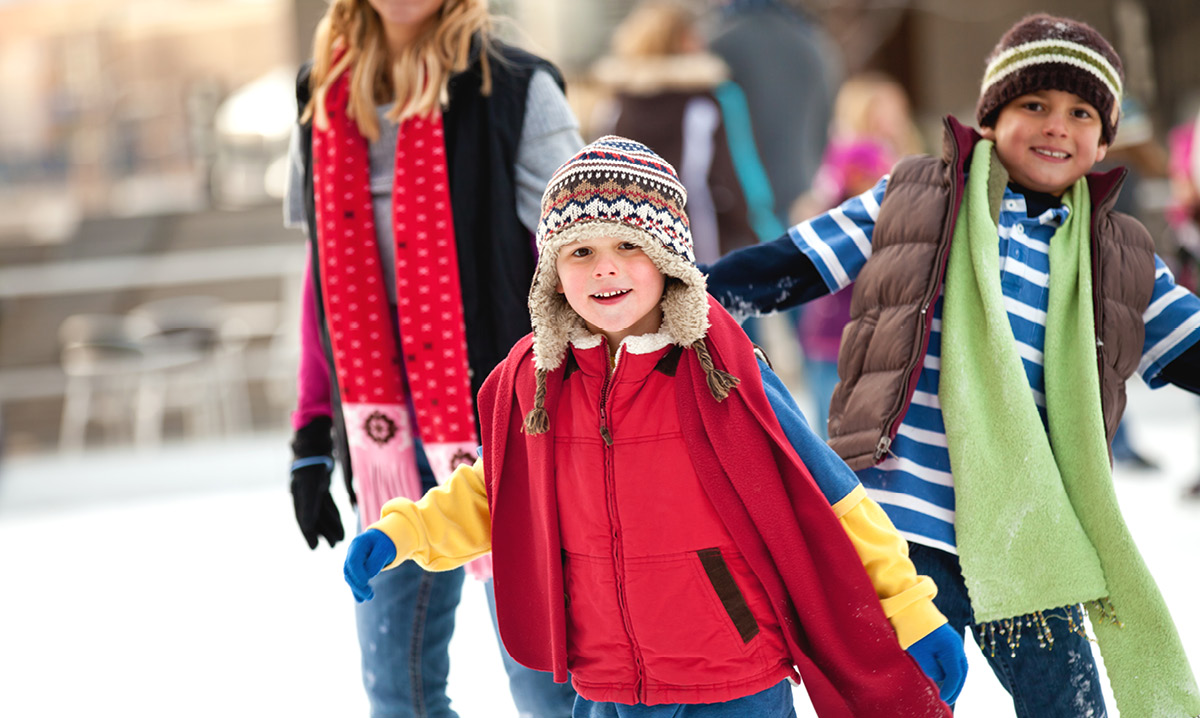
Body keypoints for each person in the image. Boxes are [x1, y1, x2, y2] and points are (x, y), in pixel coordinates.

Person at [343, 136, 967, 717]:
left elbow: (828, 499)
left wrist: (910, 611)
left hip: (732, 678)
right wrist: (405, 532)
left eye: (628, 247)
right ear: (553, 272)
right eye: (580, 252)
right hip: (607, 681)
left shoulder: (720, 373)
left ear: (668, 260)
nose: (603, 270)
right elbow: (500, 491)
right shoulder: (541, 381)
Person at [704, 14, 1200, 717]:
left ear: (1104, 138)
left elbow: (1188, 342)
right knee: (895, 700)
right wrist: (684, 293)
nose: (1057, 126)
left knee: (1068, 705)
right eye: (1034, 105)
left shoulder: (1118, 255)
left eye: (1080, 112)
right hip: (907, 522)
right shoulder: (921, 197)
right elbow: (797, 260)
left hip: (1033, 535)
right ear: (993, 116)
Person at [282, 0, 582, 715]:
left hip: (509, 427)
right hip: (380, 436)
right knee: (399, 692)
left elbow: (583, 255)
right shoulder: (320, 93)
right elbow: (322, 273)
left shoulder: (516, 89)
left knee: (546, 686)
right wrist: (310, 433)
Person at [590, 0, 782, 264]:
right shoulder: (707, 102)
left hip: (634, 247)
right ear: (682, 40)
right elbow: (736, 172)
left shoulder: (615, 106)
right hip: (700, 243)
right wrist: (759, 235)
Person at [791, 73, 920, 438]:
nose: (893, 117)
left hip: (839, 313)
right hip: (850, 314)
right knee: (842, 425)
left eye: (896, 109)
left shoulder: (855, 155)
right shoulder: (862, 155)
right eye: (883, 109)